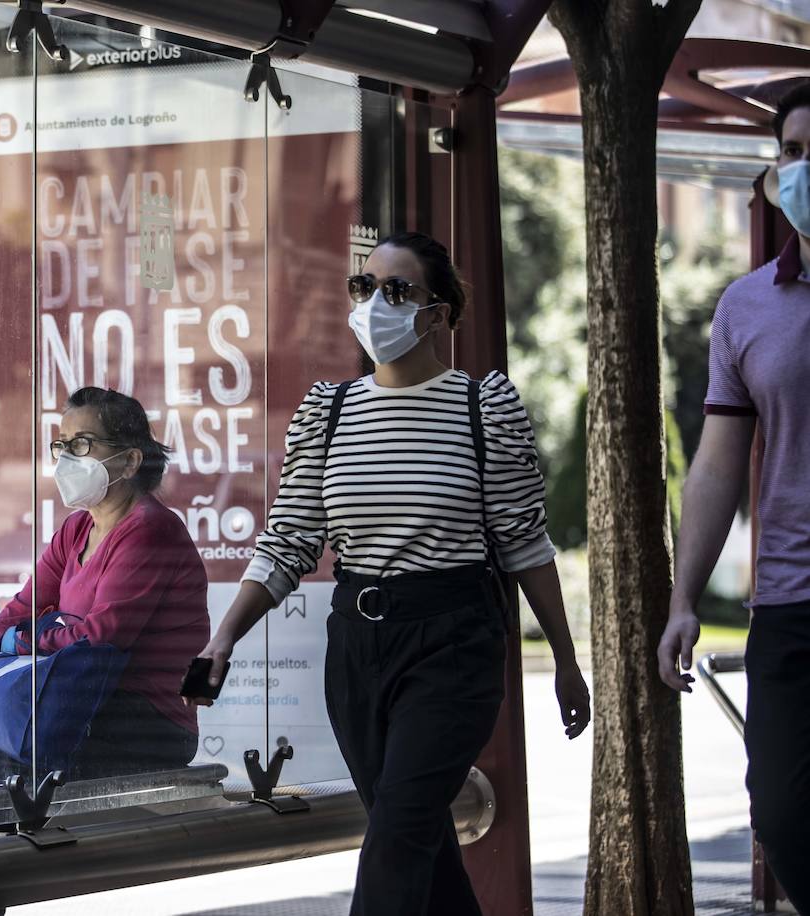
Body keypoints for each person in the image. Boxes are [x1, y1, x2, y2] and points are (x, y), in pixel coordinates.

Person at [191, 231, 591, 916]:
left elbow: (525, 542)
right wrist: (221, 639)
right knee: (417, 843)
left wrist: (564, 660)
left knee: (395, 839)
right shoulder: (330, 411)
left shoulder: (482, 407)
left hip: (454, 641)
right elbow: (289, 540)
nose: (376, 302)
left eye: (398, 290)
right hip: (357, 645)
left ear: (438, 312)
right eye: (365, 287)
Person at [657, 81, 810, 913]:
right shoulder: (748, 305)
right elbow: (719, 464)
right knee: (784, 816)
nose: (803, 169)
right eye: (792, 153)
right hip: (789, 604)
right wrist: (684, 598)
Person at [0, 386, 210, 786]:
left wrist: (25, 642)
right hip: (78, 703)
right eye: (61, 445)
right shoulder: (77, 529)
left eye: (81, 444)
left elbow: (100, 638)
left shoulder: (150, 530)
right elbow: (16, 612)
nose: (65, 459)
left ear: (130, 461)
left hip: (148, 723)